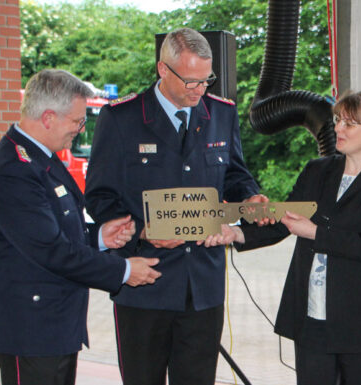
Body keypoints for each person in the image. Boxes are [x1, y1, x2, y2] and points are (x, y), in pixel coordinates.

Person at [84, 27, 267, 384]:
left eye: (206, 80)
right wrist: (143, 231)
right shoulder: (121, 119)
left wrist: (250, 196)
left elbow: (234, 172)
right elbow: (99, 196)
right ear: (163, 70)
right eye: (190, 81)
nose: (200, 90)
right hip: (144, 283)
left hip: (202, 285)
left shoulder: (221, 114)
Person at [204, 91, 361, 385]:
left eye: (349, 124)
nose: (338, 129)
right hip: (312, 315)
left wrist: (314, 232)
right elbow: (284, 221)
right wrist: (236, 232)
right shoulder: (317, 170)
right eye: (338, 120)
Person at [0, 69, 161, 385]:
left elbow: (58, 232)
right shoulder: (15, 170)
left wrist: (100, 237)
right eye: (77, 121)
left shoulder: (41, 159)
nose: (80, 129)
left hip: (55, 326)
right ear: (48, 117)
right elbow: (51, 250)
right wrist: (124, 271)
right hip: (31, 331)